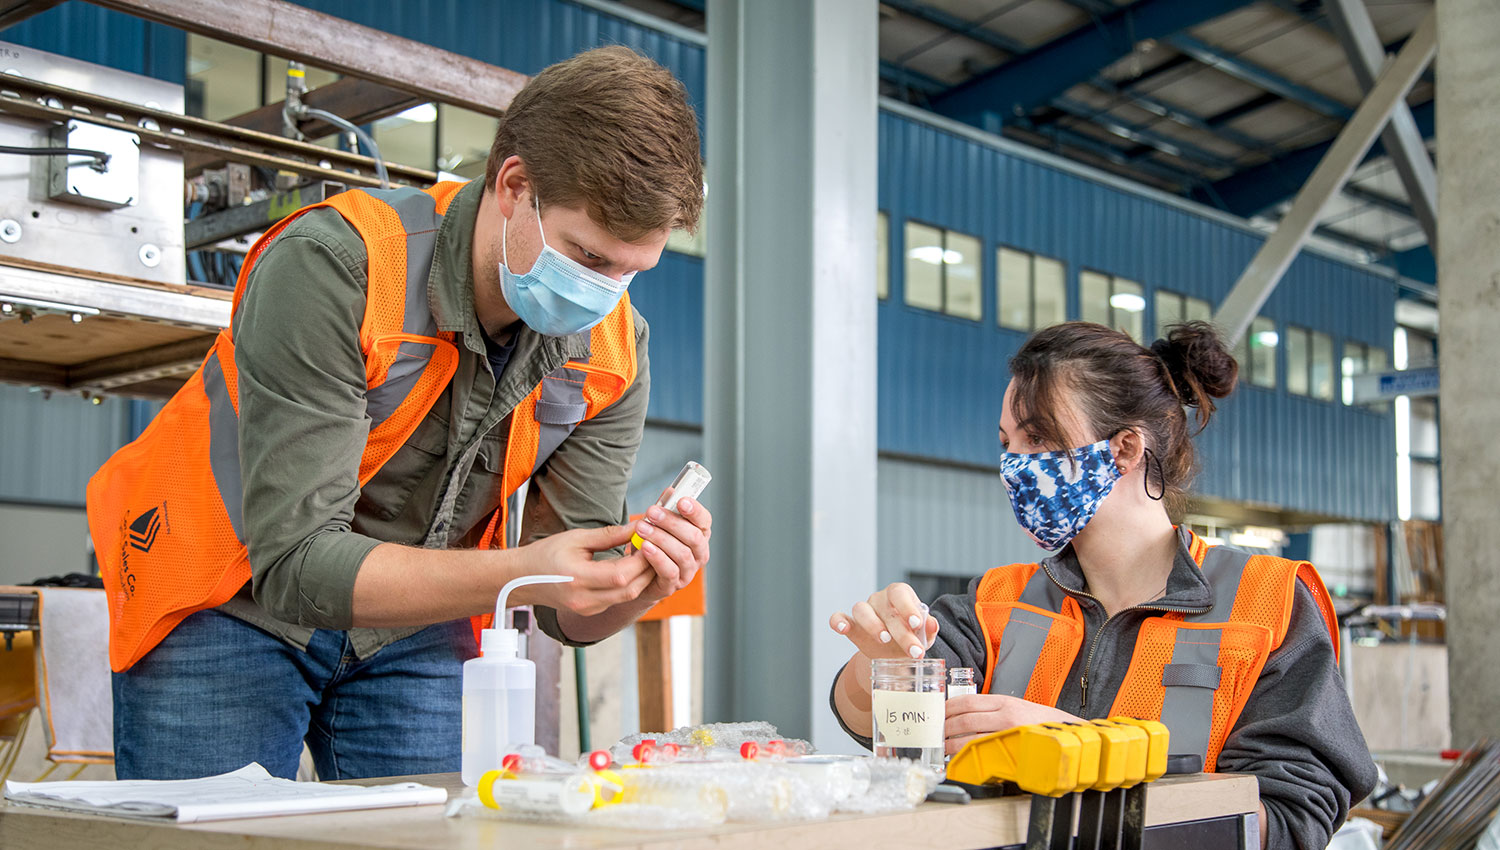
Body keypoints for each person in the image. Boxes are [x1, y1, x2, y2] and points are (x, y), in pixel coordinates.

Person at [88, 46, 712, 781]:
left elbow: (559, 610)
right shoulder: (337, 264)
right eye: (588, 257)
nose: (605, 293)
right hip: (229, 591)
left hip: (413, 625)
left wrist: (636, 586)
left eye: (633, 270)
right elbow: (294, 566)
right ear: (514, 186)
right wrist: (523, 570)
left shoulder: (614, 347)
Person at [828, 321, 1375, 849]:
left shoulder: (1267, 601)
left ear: (1125, 449)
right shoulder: (999, 600)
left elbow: (1287, 821)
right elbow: (880, 724)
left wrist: (1086, 752)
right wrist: (879, 662)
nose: (1013, 465)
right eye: (1007, 441)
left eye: (1038, 437)